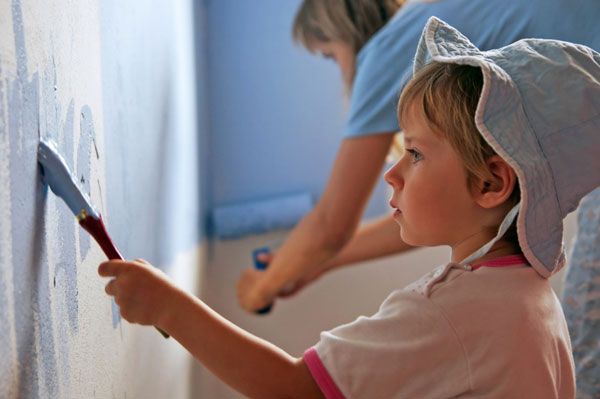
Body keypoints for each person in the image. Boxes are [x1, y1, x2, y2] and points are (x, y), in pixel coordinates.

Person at [98, 18, 600, 398]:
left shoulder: (451, 312)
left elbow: (294, 389)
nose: (393, 172)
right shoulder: (533, 300)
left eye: (418, 153)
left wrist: (171, 308)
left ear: (491, 182)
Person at [235, 0, 600, 318]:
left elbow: (332, 225)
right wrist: (313, 262)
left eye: (331, 55)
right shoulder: (428, 18)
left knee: (588, 340)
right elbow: (435, 207)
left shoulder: (383, 52)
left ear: (343, 32)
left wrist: (258, 290)